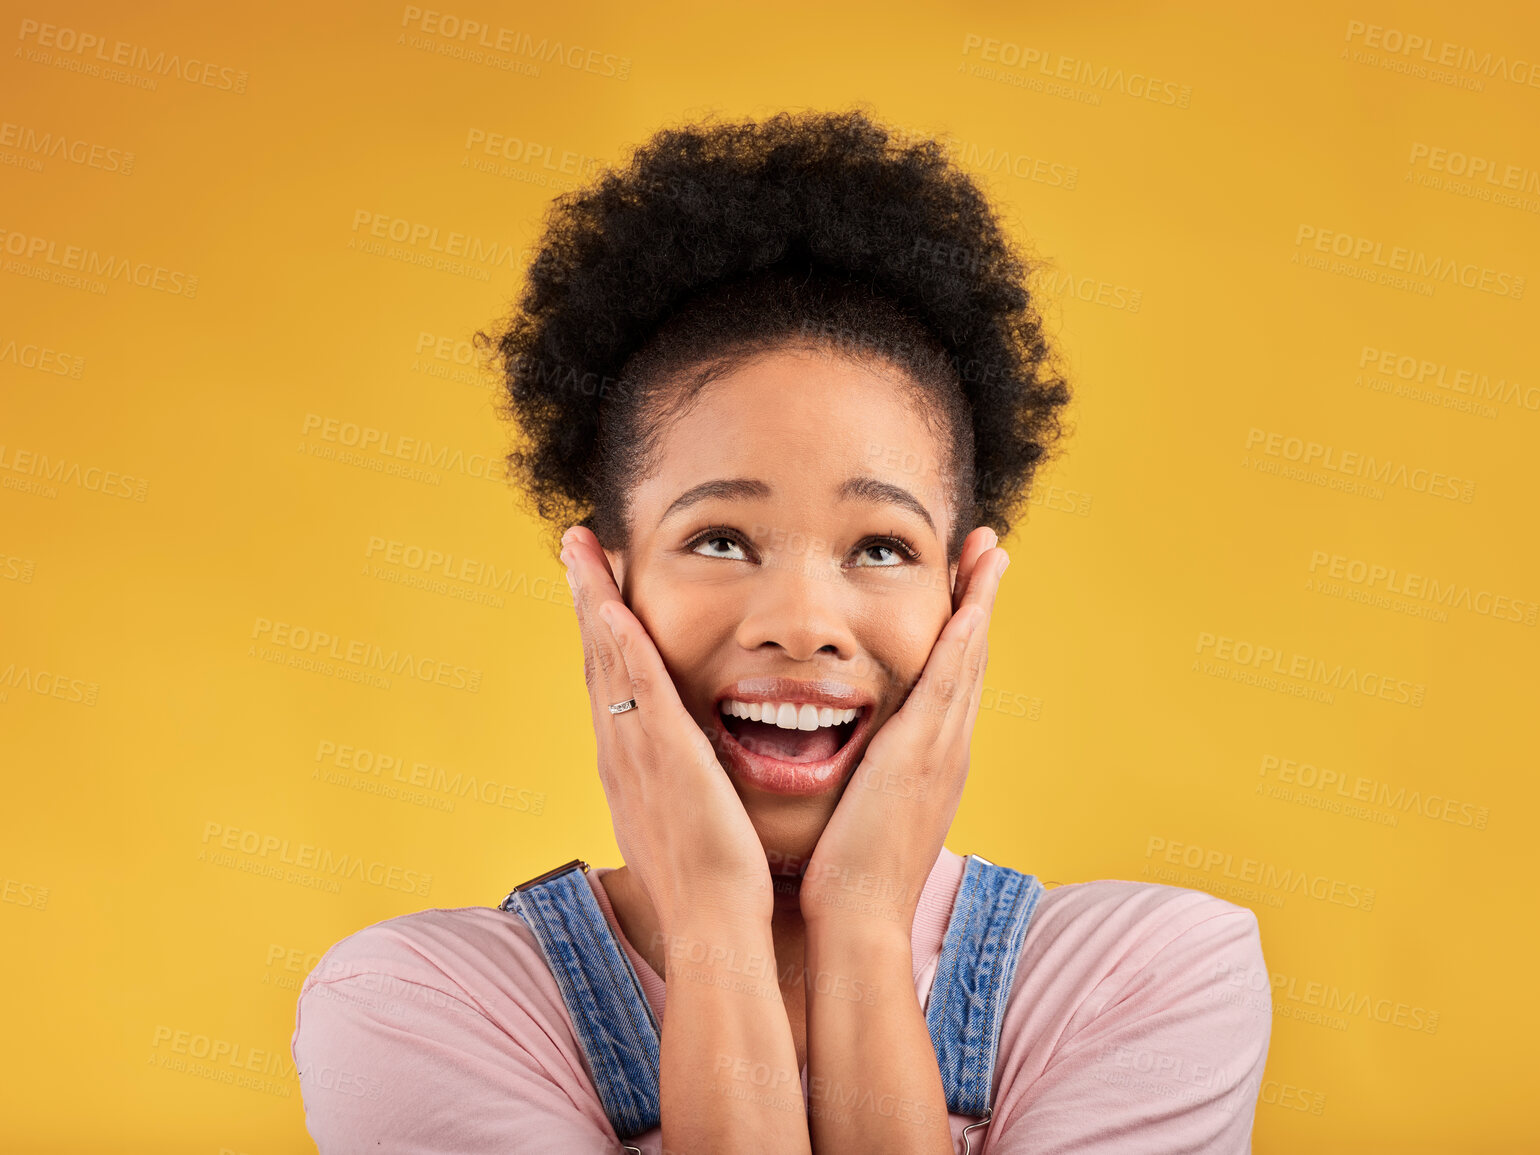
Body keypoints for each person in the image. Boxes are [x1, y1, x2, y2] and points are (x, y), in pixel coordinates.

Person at [291, 106, 1272, 1154]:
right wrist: (715, 930)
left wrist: (858, 931)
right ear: (606, 582)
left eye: (882, 548)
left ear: (963, 589)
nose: (803, 626)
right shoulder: (417, 1006)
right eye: (719, 538)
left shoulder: (1154, 976)